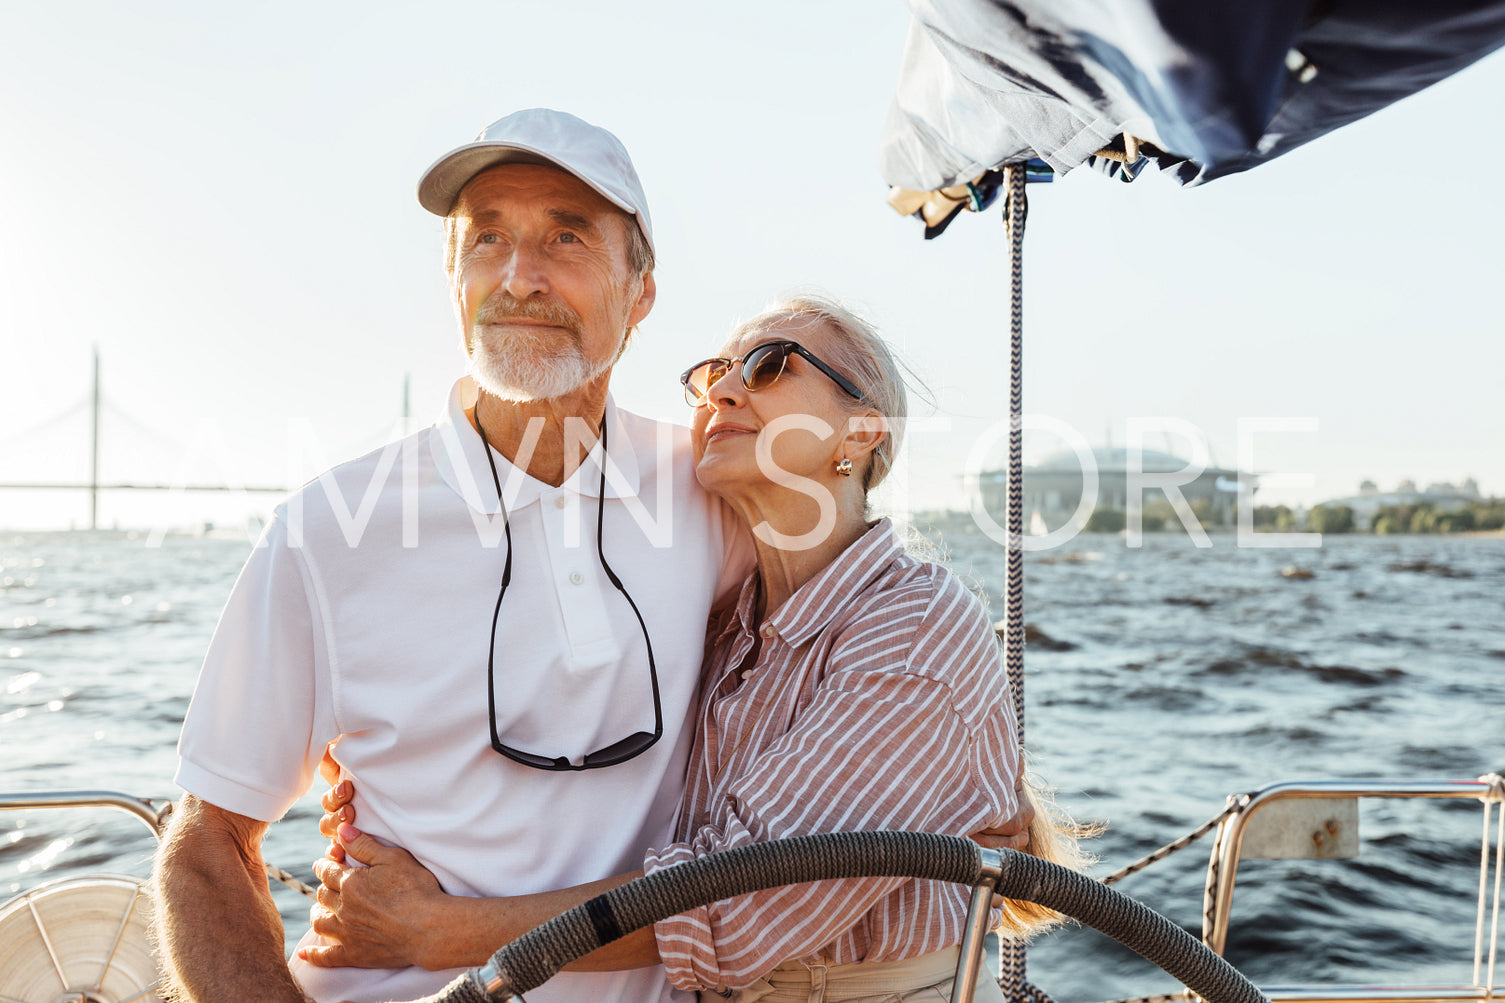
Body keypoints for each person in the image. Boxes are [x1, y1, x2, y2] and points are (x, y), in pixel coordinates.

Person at [152, 110, 1033, 1003]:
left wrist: (983, 797)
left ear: (639, 290)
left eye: (565, 237)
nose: (519, 276)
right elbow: (208, 838)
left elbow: (838, 745)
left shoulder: (710, 490)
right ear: (451, 279)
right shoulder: (326, 528)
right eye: (485, 238)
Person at [300, 297, 1078, 1002]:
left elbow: (738, 904)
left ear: (860, 434)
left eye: (769, 365)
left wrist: (435, 930)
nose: (722, 393)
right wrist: (386, 772)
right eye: (711, 374)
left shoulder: (914, 631)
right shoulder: (723, 617)